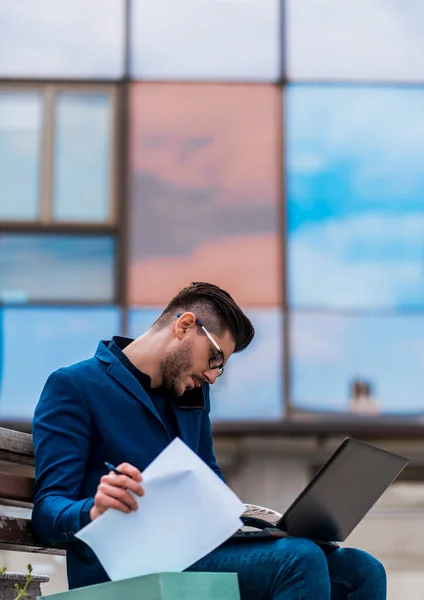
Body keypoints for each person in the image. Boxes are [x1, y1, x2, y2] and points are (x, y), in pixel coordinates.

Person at [32, 282, 386, 599]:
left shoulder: (191, 398)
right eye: (215, 358)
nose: (213, 377)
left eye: (221, 367)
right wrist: (93, 509)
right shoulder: (74, 386)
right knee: (299, 560)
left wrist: (265, 526)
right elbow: (47, 512)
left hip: (195, 549)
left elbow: (209, 478)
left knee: (362, 569)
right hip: (124, 566)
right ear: (184, 326)